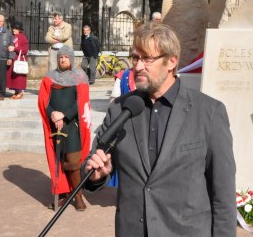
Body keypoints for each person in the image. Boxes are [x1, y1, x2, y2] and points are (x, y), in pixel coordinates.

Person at [83, 22, 236, 236]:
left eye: (147, 59)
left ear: (171, 61)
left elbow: (223, 194)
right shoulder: (119, 109)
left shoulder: (209, 112)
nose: (137, 66)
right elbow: (91, 164)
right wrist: (95, 175)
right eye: (135, 58)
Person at [38, 46, 91, 211]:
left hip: (71, 127)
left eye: (66, 57)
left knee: (73, 162)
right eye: (60, 57)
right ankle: (62, 194)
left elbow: (80, 102)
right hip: (54, 126)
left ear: (71, 59)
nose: (62, 60)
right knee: (58, 162)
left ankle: (78, 195)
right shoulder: (49, 78)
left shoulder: (79, 77)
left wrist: (64, 115)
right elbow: (43, 100)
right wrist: (53, 113)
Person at [6, 21, 28, 100]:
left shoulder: (23, 37)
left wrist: (15, 48)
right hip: (12, 59)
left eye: (16, 29)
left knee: (19, 76)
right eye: (13, 28)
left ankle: (20, 92)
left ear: (19, 29)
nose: (14, 30)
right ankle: (16, 91)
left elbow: (25, 49)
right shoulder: (12, 36)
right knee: (13, 76)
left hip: (19, 60)